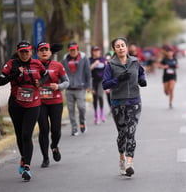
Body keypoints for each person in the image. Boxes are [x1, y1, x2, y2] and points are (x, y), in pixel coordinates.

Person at [0, 40, 48, 181]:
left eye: (27, 51)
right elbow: (0, 81)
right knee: (20, 136)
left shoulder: (37, 64)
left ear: (31, 52)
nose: (25, 54)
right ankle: (23, 157)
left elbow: (46, 75)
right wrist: (15, 74)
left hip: (33, 103)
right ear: (18, 52)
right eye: (22, 52)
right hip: (16, 104)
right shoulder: (11, 64)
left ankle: (27, 167)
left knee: (27, 134)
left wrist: (41, 82)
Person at [102, 37, 147, 177]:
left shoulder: (134, 62)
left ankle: (129, 164)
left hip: (134, 101)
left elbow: (141, 72)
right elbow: (105, 84)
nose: (121, 48)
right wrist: (118, 80)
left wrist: (142, 80)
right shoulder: (110, 65)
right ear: (114, 49)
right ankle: (121, 158)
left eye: (123, 45)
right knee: (122, 133)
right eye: (118, 46)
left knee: (131, 132)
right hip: (117, 103)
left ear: (126, 47)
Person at [36, 42, 69, 168]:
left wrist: (58, 86)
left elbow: (67, 82)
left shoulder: (58, 65)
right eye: (41, 50)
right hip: (39, 102)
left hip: (55, 101)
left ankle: (54, 146)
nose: (44, 52)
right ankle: (45, 158)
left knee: (56, 130)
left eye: (46, 50)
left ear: (50, 52)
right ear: (37, 53)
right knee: (44, 129)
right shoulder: (33, 65)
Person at [61, 41, 92, 136]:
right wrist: (61, 85)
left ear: (77, 49)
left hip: (80, 88)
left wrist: (89, 86)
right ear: (68, 50)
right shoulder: (65, 60)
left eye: (74, 50)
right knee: (71, 110)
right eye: (71, 50)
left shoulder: (83, 58)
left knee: (81, 107)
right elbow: (61, 74)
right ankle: (74, 128)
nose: (73, 51)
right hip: (69, 88)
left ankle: (82, 123)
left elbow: (88, 72)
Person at [89, 45, 107, 124]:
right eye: (95, 51)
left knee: (100, 95)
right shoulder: (90, 60)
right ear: (92, 52)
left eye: (98, 51)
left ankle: (102, 115)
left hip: (101, 81)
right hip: (93, 81)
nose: (97, 52)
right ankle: (96, 116)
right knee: (95, 98)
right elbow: (87, 70)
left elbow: (107, 70)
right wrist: (94, 64)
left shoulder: (103, 59)